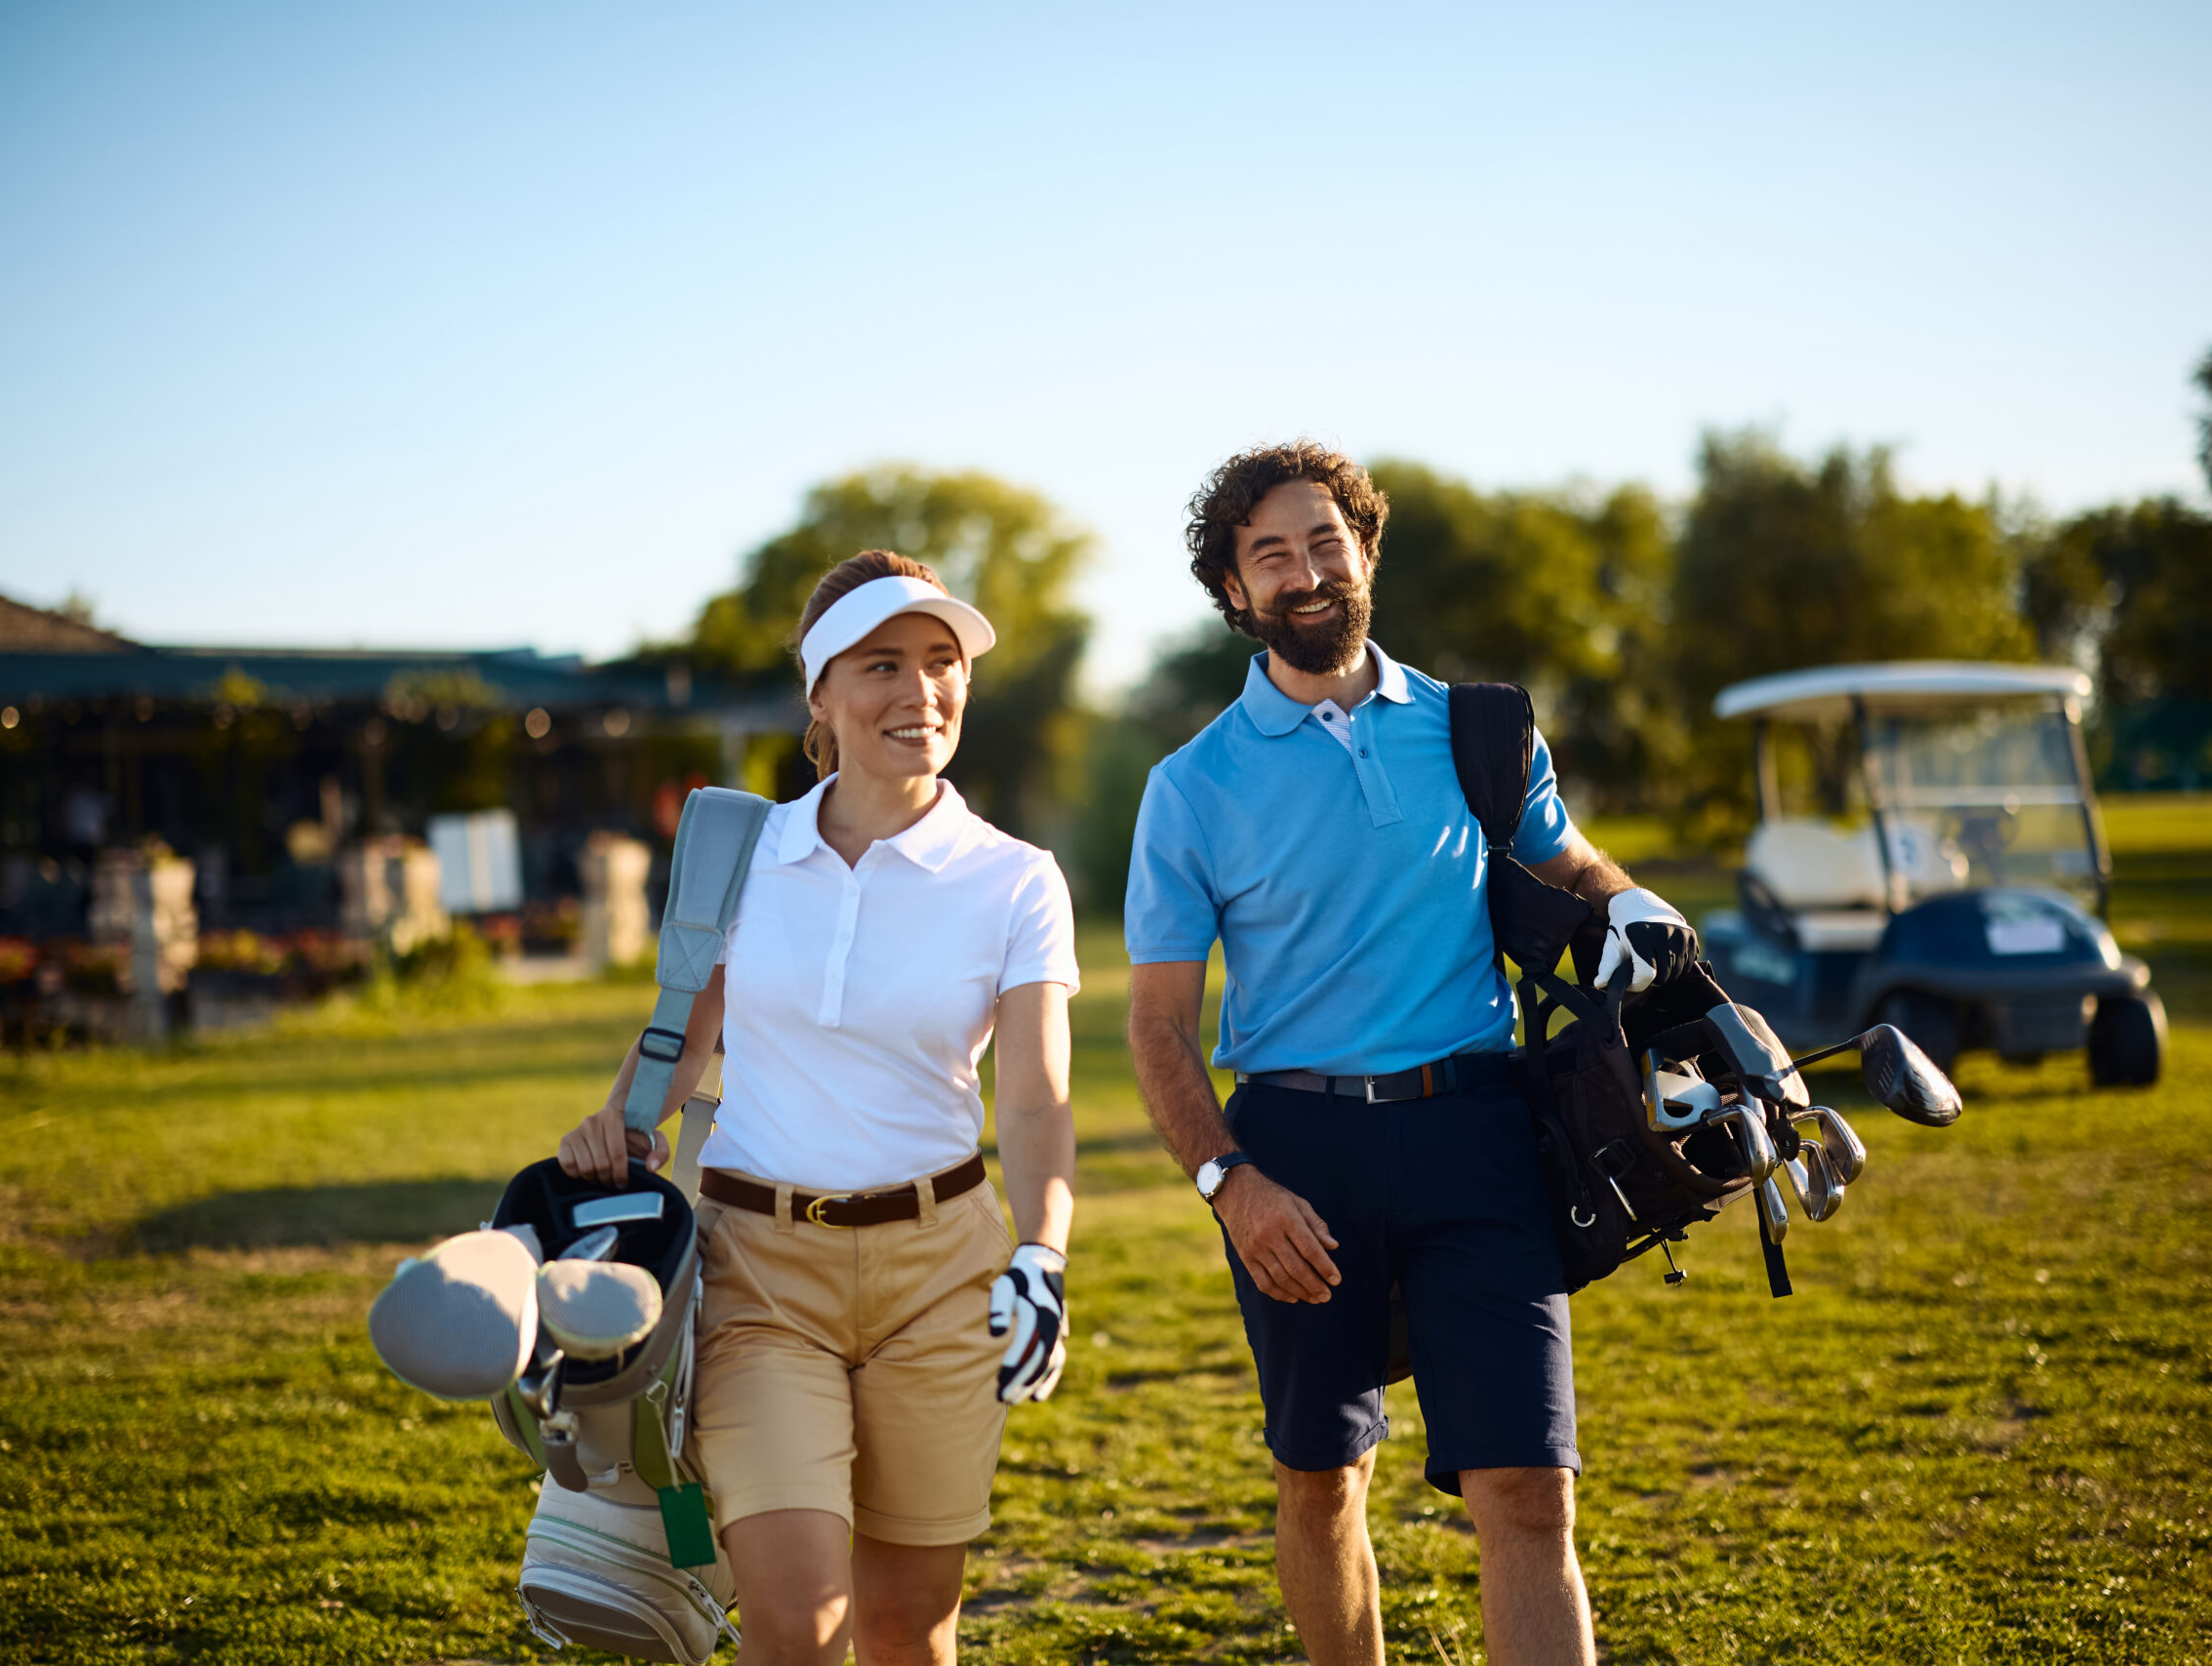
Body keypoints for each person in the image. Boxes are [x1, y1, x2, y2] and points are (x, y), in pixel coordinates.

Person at [1124, 443, 1699, 1666]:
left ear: (1366, 552)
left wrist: (1628, 901)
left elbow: (1569, 862)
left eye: (1325, 541)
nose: (1305, 572)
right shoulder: (1190, 787)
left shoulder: (1476, 732)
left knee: (1530, 1492)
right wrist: (1230, 1186)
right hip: (1297, 1155)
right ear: (1234, 592)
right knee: (1322, 1482)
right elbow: (1160, 1025)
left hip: (1478, 1137)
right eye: (1269, 554)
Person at [560, 550, 1080, 1666]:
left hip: (943, 1277)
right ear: (821, 696)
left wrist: (1042, 1254)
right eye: (881, 664)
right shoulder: (740, 858)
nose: (919, 691)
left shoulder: (1017, 877)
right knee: (798, 1626)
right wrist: (612, 1134)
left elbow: (1036, 1096)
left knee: (905, 1626)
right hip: (758, 1277)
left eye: (942, 663)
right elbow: (675, 1047)